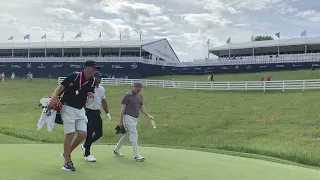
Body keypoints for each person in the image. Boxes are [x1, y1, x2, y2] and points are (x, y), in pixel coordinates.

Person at [48, 60, 98, 172]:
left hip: (80, 110)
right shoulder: (74, 76)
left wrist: (91, 94)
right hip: (68, 108)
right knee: (70, 134)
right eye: (93, 68)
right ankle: (67, 162)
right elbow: (61, 87)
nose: (94, 70)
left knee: (83, 134)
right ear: (86, 68)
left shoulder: (92, 80)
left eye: (95, 68)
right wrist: (54, 97)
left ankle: (66, 153)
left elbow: (90, 91)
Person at [113, 82, 154, 162]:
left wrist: (148, 116)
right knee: (134, 134)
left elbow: (141, 108)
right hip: (127, 117)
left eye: (140, 90)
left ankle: (116, 149)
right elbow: (123, 109)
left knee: (128, 135)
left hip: (135, 118)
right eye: (137, 89)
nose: (138, 91)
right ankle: (137, 155)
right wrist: (120, 121)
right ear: (134, 87)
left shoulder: (140, 96)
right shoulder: (127, 95)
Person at [80, 71, 112, 162]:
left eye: (100, 77)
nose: (99, 79)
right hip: (88, 112)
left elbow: (103, 101)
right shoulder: (88, 87)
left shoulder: (102, 88)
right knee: (89, 133)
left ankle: (85, 145)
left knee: (99, 133)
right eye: (97, 77)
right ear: (93, 78)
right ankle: (87, 154)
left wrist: (107, 113)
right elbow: (82, 101)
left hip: (97, 112)